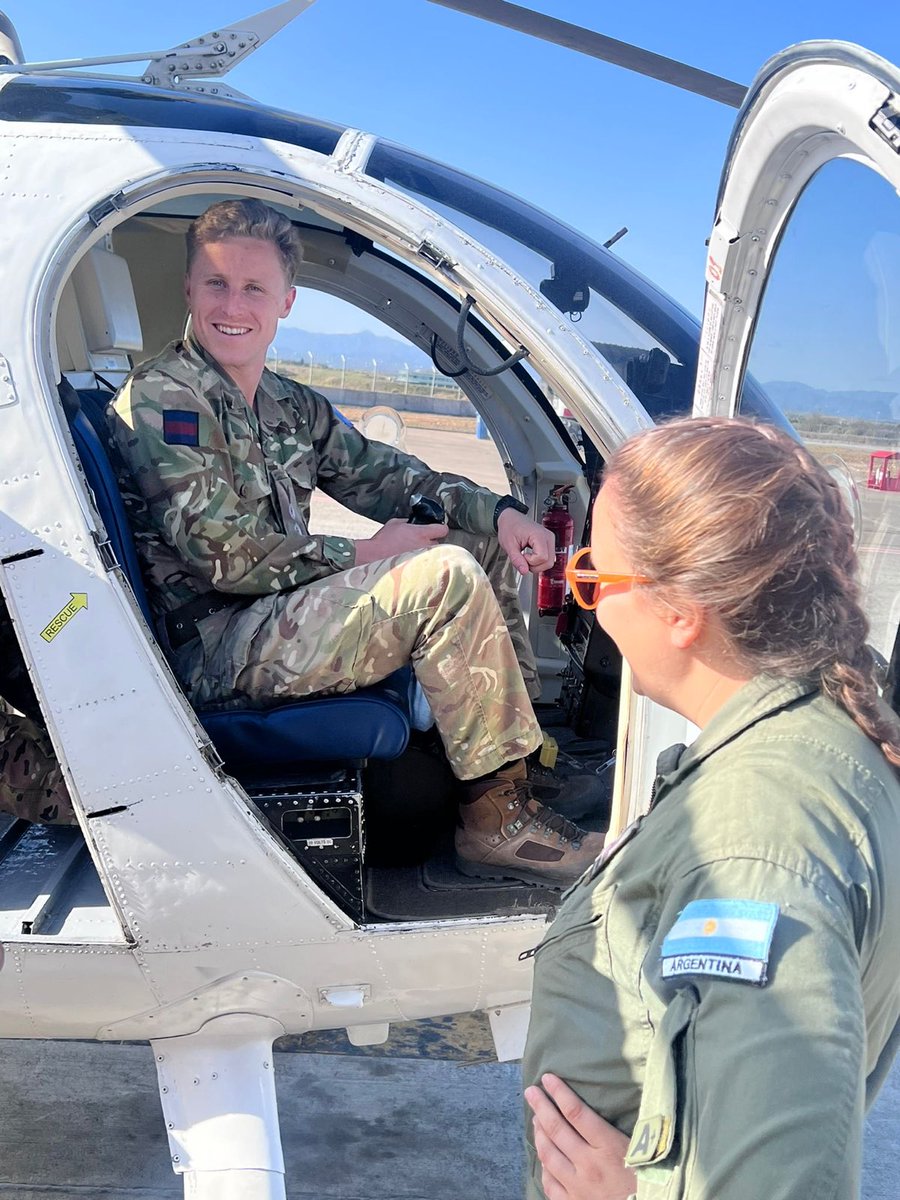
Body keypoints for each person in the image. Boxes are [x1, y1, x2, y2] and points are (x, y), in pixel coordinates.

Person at [107, 197, 605, 886]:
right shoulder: (164, 399)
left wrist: (500, 516)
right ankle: (495, 824)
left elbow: (394, 478)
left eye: (254, 288)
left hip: (274, 617)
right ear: (189, 288)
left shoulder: (289, 405)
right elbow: (222, 554)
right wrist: (367, 554)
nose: (233, 305)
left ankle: (523, 768)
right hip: (215, 646)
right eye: (217, 283)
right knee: (443, 578)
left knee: (472, 544)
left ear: (286, 302)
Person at [521, 416, 900, 1198]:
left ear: (682, 610)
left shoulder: (757, 836)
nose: (595, 610)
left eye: (596, 577)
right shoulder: (817, 743)